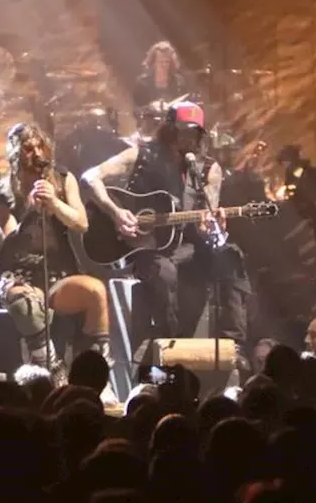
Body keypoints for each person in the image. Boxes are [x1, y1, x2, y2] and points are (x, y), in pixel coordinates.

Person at [80, 102, 250, 354]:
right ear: (169, 130)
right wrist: (115, 213)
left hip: (191, 248)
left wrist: (209, 225)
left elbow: (207, 215)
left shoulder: (207, 169)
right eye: (182, 131)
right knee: (164, 272)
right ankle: (169, 348)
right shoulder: (141, 155)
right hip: (149, 248)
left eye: (194, 133)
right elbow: (89, 177)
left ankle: (234, 346)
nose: (188, 138)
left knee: (231, 255)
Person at [0, 122, 118, 397]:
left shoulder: (63, 178)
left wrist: (55, 204)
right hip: (19, 275)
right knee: (23, 302)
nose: (36, 153)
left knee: (95, 291)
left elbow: (81, 223)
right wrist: (31, 213)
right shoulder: (3, 192)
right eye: (28, 149)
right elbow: (9, 239)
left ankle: (98, 376)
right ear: (16, 154)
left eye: (39, 146)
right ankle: (53, 367)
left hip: (59, 273)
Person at [131, 41, 190, 111]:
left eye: (167, 62)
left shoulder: (179, 81)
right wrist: (151, 107)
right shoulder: (142, 83)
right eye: (160, 62)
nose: (164, 65)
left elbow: (186, 106)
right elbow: (136, 111)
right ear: (153, 63)